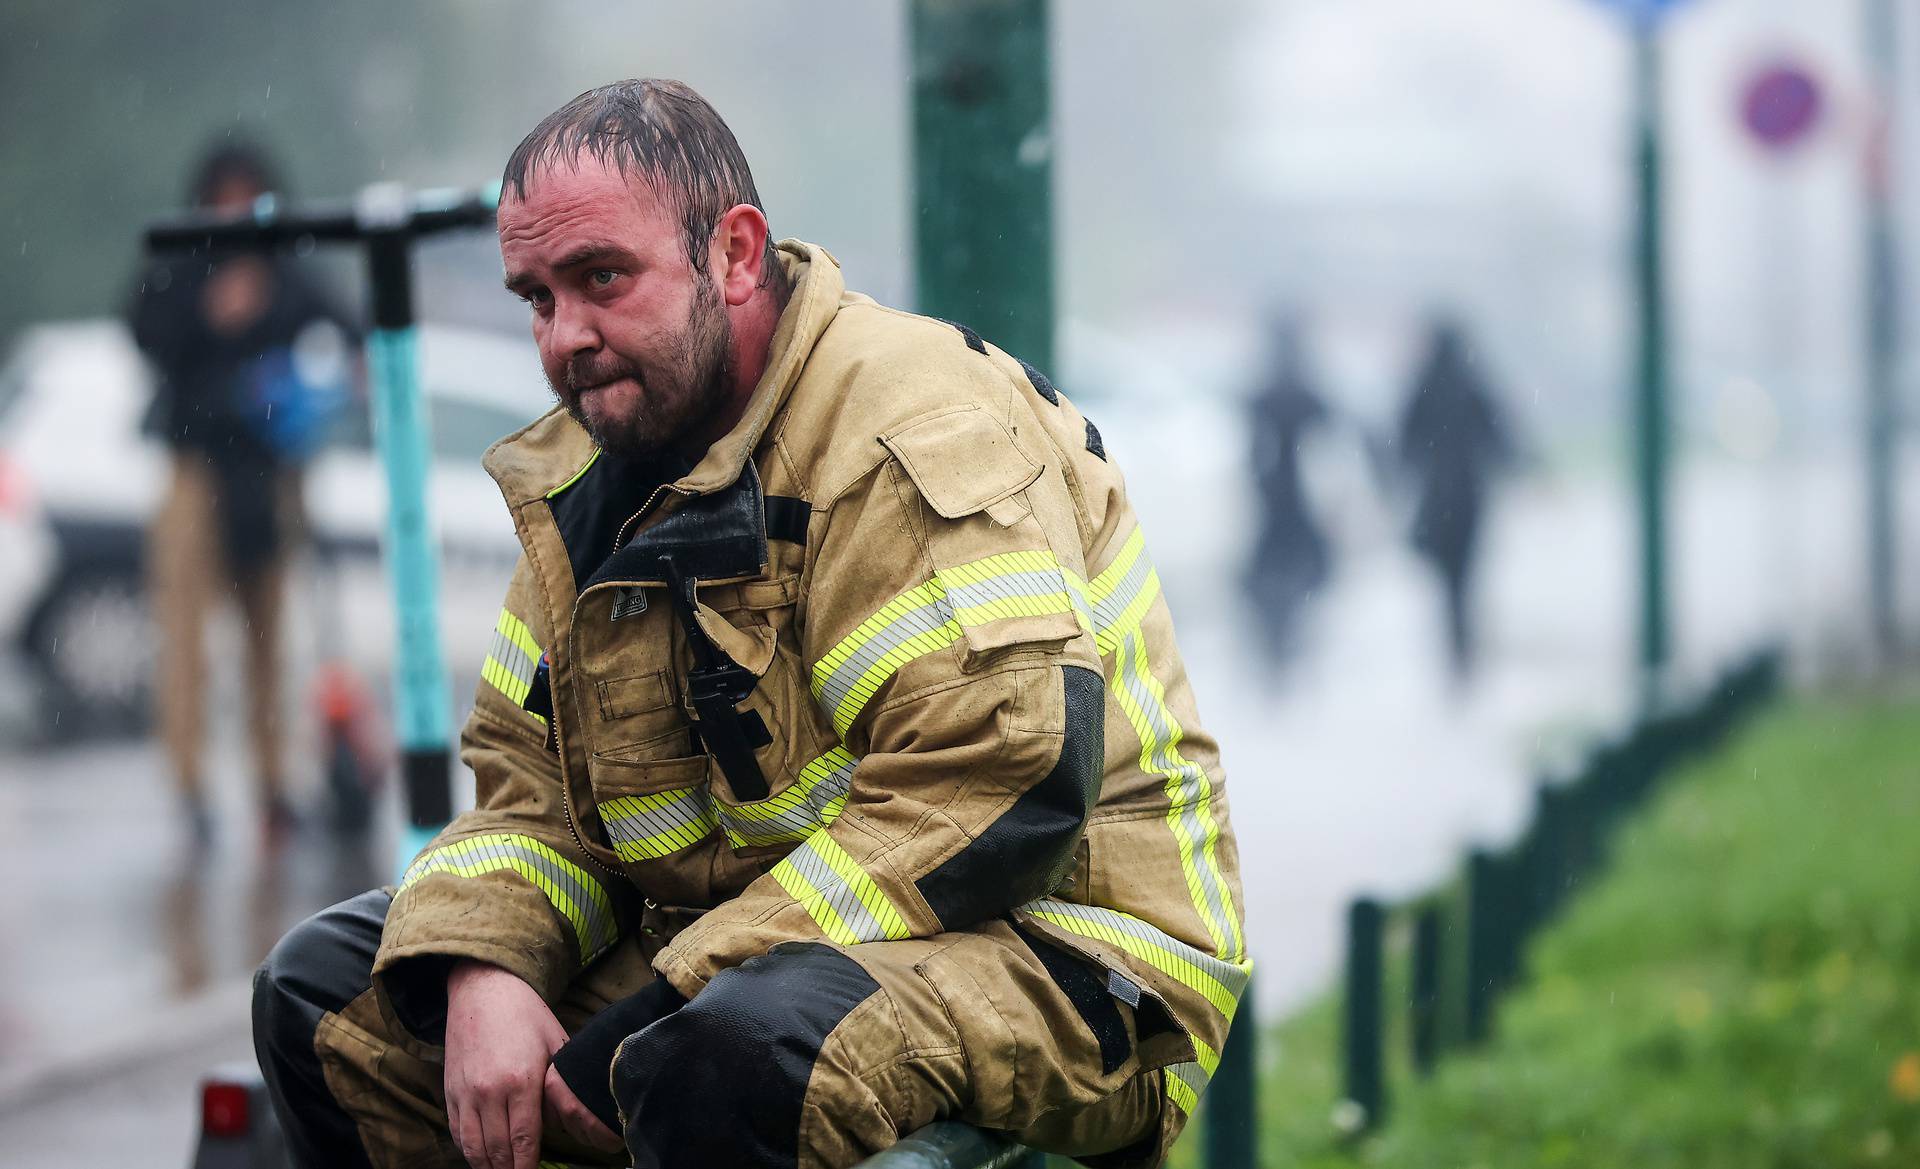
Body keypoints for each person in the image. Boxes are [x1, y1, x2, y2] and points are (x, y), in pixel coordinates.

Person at [252, 80, 1247, 1169]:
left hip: (1071, 960)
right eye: (536, 297)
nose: (565, 339)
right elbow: (531, 797)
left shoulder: (910, 425)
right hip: (761, 952)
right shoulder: (589, 476)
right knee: (330, 996)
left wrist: (671, 995)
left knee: (721, 1057)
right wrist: (481, 965)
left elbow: (996, 789)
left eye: (601, 278)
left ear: (732, 255)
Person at [129, 140, 358, 841]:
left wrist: (332, 377)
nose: (233, 210)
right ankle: (191, 787)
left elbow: (346, 324)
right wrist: (209, 315)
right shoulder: (181, 263)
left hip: (267, 470)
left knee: (270, 636)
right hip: (195, 468)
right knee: (186, 637)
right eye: (222, 197)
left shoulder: (282, 266)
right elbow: (141, 331)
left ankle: (273, 782)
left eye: (245, 196)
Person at [1395, 318, 1512, 684]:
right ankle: (1462, 650)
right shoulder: (1472, 386)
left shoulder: (1423, 386)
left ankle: (1456, 649)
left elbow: (1404, 445)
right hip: (1469, 502)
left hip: (1437, 504)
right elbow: (1500, 439)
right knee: (1464, 582)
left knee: (1449, 584)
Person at [1243, 316, 1332, 662]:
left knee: (1271, 585)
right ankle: (1285, 649)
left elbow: (1253, 452)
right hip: (1295, 508)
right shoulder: (1309, 396)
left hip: (1275, 505)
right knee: (1298, 583)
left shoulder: (1262, 395)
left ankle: (1277, 650)